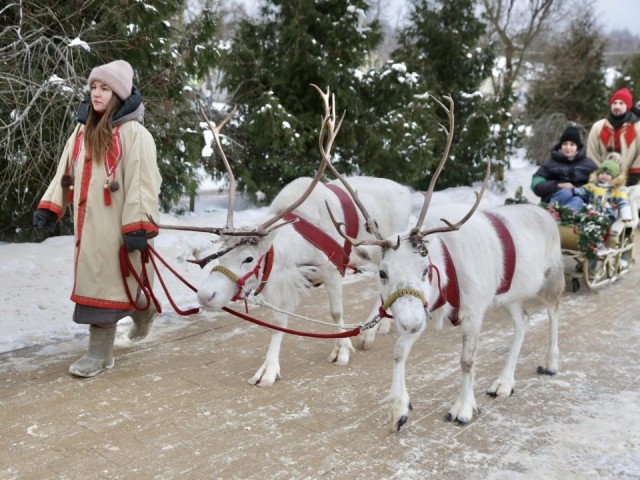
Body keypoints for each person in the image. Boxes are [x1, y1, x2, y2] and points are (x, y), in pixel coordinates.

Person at [33, 60, 162, 377]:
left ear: (118, 94)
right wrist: (50, 206)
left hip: (119, 230)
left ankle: (99, 355)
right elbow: (65, 172)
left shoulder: (135, 134)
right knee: (106, 283)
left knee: (106, 288)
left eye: (104, 88)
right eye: (93, 87)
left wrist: (138, 226)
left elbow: (143, 184)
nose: (96, 93)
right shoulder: (81, 131)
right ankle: (144, 308)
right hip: (87, 228)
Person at [531, 125, 598, 210]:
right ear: (560, 146)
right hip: (556, 196)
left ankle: (566, 218)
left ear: (577, 147)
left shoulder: (588, 164)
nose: (568, 147)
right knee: (566, 193)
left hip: (579, 199)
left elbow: (599, 183)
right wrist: (558, 185)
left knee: (578, 200)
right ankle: (551, 211)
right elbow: (536, 184)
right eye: (565, 144)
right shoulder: (551, 163)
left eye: (572, 144)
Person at [574, 156, 632, 248]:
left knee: (597, 230)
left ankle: (594, 248)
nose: (604, 176)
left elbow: (624, 204)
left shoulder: (616, 191)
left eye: (608, 174)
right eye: (602, 173)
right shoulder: (592, 186)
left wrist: (626, 216)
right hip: (591, 214)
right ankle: (582, 244)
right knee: (582, 224)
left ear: (614, 177)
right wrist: (573, 189)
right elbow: (581, 191)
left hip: (607, 217)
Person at [586, 87, 640, 186]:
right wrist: (600, 173)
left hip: (631, 181)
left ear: (628, 106)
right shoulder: (598, 127)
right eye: (614, 103)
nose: (617, 107)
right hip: (601, 179)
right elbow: (592, 153)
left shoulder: (637, 127)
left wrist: (633, 178)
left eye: (621, 103)